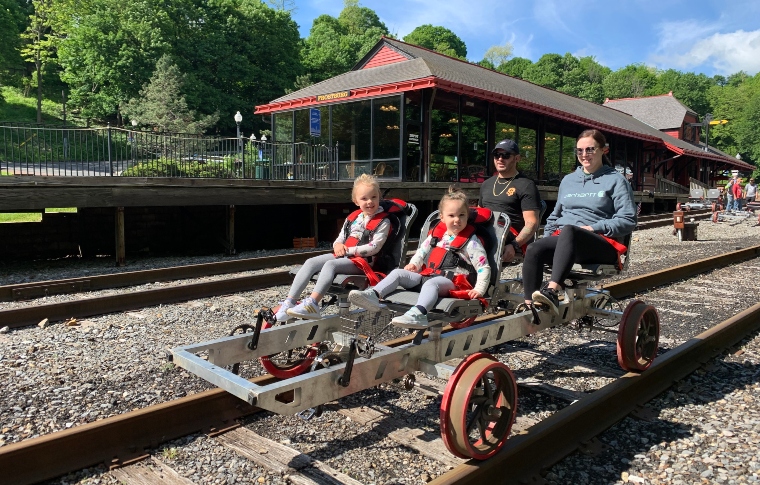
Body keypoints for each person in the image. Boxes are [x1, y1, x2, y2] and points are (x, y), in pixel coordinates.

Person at [523, 129, 636, 316]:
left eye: (590, 149)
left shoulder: (616, 180)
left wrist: (594, 227)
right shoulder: (568, 181)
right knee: (535, 248)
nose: (584, 155)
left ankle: (551, 291)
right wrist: (549, 239)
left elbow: (628, 220)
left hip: (601, 243)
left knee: (570, 230)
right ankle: (529, 307)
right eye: (580, 151)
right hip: (567, 241)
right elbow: (554, 216)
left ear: (603, 150)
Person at [348, 187, 491, 329]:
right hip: (429, 275)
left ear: (467, 216)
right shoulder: (436, 235)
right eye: (451, 216)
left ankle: (419, 314)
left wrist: (479, 289)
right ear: (442, 217)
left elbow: (483, 267)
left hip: (452, 281)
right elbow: (421, 252)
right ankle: (373, 295)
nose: (457, 220)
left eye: (462, 215)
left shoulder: (471, 242)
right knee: (399, 273)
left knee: (431, 284)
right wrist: (414, 264)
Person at [274, 174, 391, 321]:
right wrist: (337, 245)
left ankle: (313, 304)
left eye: (373, 197)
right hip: (346, 256)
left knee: (331, 264)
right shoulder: (353, 218)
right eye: (364, 199)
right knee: (311, 262)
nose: (369, 202)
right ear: (356, 201)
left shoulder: (383, 222)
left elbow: (374, 247)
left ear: (379, 197)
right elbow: (341, 237)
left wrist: (348, 250)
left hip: (363, 262)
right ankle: (289, 303)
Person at [478, 139, 542, 262]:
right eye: (497, 155)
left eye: (506, 155)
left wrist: (514, 244)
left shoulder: (526, 185)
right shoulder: (487, 184)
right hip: (486, 233)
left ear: (517, 158)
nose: (500, 159)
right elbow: (480, 214)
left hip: (509, 236)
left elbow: (532, 223)